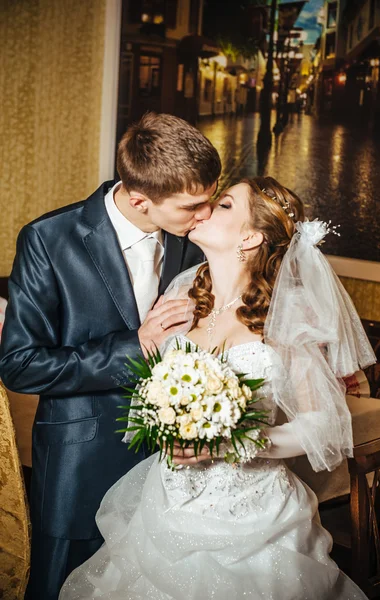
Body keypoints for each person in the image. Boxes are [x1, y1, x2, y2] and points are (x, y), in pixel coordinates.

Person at [59, 176, 375, 599]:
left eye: (224, 204)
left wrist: (237, 442)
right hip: (167, 499)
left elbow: (322, 426)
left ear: (251, 237)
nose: (204, 209)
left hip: (252, 514)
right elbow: (148, 393)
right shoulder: (184, 295)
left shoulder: (287, 313)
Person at [0, 112, 221, 600]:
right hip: (82, 463)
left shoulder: (193, 243)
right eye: (193, 206)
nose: (206, 215)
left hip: (172, 470)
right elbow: (20, 364)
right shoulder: (49, 240)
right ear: (141, 199)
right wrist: (134, 343)